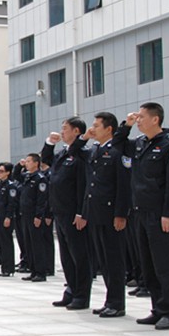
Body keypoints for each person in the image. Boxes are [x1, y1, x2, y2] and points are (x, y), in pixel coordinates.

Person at [114, 103, 169, 330]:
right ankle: (157, 308)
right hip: (140, 212)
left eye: (142, 117)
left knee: (163, 265)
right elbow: (118, 144)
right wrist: (126, 125)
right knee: (148, 265)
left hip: (159, 213)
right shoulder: (140, 143)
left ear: (155, 119)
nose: (139, 120)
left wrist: (168, 213)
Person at [71, 112, 131, 317]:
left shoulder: (118, 151)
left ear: (109, 129)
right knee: (104, 260)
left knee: (114, 260)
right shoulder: (95, 150)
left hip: (110, 212)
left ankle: (117, 303)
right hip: (95, 211)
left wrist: (121, 214)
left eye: (97, 125)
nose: (93, 128)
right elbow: (74, 150)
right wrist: (85, 137)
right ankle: (110, 300)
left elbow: (123, 185)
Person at [42, 118, 91, 310]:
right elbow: (47, 160)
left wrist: (81, 212)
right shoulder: (64, 153)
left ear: (76, 131)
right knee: (66, 256)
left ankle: (81, 295)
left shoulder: (82, 154)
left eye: (65, 129)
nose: (62, 132)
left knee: (79, 256)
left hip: (74, 213)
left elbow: (83, 186)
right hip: (60, 211)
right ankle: (71, 290)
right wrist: (49, 143)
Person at [18, 154, 51, 282]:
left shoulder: (40, 179)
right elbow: (16, 176)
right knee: (28, 244)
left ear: (36, 163)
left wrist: (38, 215)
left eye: (28, 161)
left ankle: (40, 272)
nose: (26, 163)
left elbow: (42, 200)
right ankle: (32, 270)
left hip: (34, 216)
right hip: (25, 214)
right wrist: (19, 166)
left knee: (37, 244)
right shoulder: (27, 176)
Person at [0, 162, 17, 277]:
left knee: (6, 243)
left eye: (1, 171)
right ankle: (4, 267)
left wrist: (8, 217)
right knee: (0, 243)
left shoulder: (10, 186)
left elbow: (12, 203)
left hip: (5, 217)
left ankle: (8, 268)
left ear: (8, 172)